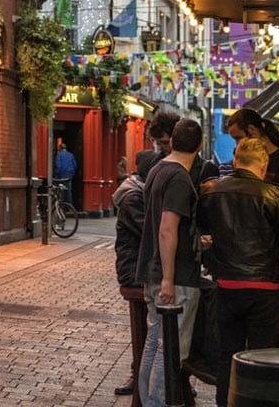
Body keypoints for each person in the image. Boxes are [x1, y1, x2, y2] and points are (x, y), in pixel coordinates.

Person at [197, 138, 279, 407]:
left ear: (235, 161)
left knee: (227, 356)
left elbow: (200, 231)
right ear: (264, 164)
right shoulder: (272, 194)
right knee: (262, 358)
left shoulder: (210, 192)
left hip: (227, 285)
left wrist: (213, 262)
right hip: (264, 287)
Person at [136, 118, 204, 407]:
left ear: (172, 141)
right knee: (171, 349)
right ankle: (158, 403)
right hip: (174, 278)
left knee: (154, 342)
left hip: (152, 270)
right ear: (199, 147)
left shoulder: (156, 170)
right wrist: (168, 278)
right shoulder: (179, 177)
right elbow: (166, 228)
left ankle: (149, 401)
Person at [112, 150, 162, 396]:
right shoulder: (133, 196)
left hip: (143, 267)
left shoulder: (140, 191)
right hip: (134, 271)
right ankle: (141, 375)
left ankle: (168, 375)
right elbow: (150, 231)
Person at [227, 108, 279, 216]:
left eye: (238, 138)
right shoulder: (242, 159)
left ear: (252, 130)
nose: (237, 144)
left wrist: (262, 213)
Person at [54, 139, 77, 204]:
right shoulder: (71, 155)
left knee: (61, 190)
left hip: (62, 174)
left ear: (60, 148)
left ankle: (61, 204)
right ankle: (70, 205)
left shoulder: (59, 155)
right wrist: (72, 173)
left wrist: (56, 175)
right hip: (69, 174)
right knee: (69, 190)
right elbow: (75, 165)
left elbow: (58, 166)